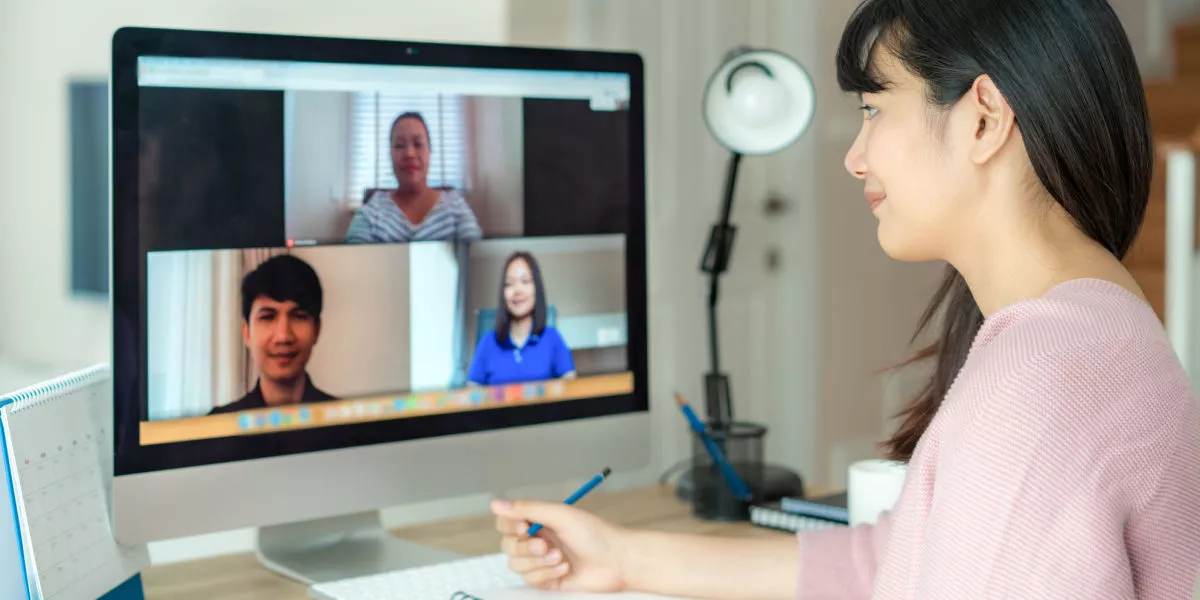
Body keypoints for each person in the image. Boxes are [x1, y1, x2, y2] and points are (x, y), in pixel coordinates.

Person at [489, 0, 1200, 598]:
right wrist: (621, 557)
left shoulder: (1040, 385)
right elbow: (891, 560)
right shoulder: (1096, 325)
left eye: (874, 109)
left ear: (983, 117)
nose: (854, 155)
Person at [210, 254, 336, 414]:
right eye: (268, 317)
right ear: (246, 332)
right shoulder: (219, 425)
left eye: (299, 316)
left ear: (317, 329)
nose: (283, 336)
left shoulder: (347, 422)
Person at [345, 112, 483, 243]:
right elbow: (353, 261)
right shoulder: (371, 213)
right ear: (390, 154)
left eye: (418, 144)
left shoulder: (455, 207)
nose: (409, 154)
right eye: (399, 146)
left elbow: (477, 258)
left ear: (430, 151)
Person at [467, 251, 576, 385]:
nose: (517, 290)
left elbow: (571, 390)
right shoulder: (488, 343)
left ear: (537, 289)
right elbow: (471, 395)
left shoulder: (553, 339)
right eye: (509, 284)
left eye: (525, 281)